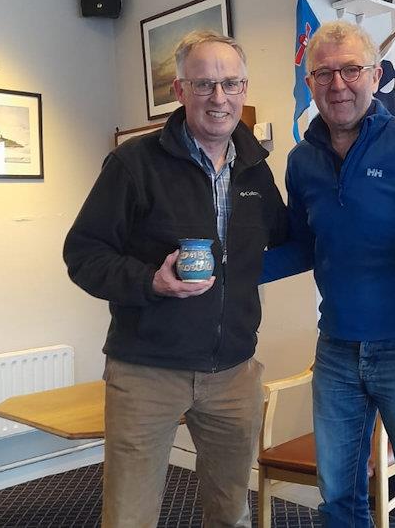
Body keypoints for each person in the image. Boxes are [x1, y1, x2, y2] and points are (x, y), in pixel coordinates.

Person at [63, 30, 287, 528]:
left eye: (230, 83)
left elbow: (284, 239)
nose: (219, 97)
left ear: (245, 88)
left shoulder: (255, 169)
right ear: (180, 90)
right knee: (129, 516)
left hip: (233, 373)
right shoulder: (133, 164)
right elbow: (83, 254)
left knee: (229, 513)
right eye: (203, 84)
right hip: (146, 372)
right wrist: (151, 282)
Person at [262, 20, 395, 527]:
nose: (337, 84)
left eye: (351, 69)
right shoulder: (301, 160)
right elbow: (305, 246)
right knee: (339, 500)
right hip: (336, 351)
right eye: (323, 73)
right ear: (310, 85)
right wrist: (230, 271)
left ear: (375, 74)